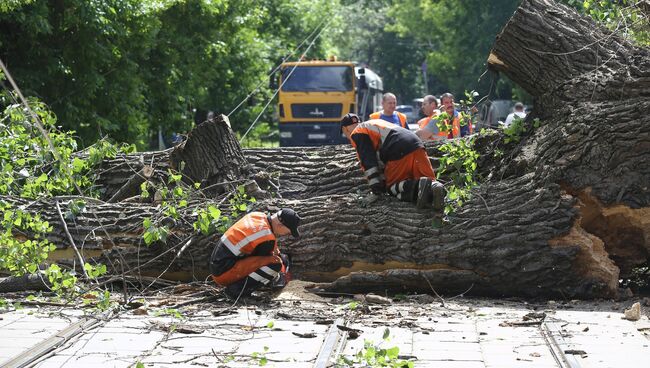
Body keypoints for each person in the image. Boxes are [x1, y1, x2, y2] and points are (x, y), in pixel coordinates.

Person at [340, 113, 445, 210]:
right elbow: (379, 161)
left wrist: (376, 190)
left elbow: (368, 162)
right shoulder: (373, 124)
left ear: (345, 129)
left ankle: (418, 186)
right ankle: (435, 187)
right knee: (427, 181)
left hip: (397, 148)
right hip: (416, 143)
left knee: (392, 188)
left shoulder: (357, 132)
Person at [209, 209, 300, 299]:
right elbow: (264, 261)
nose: (287, 234)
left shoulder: (258, 216)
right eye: (288, 232)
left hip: (218, 265)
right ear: (280, 225)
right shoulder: (266, 237)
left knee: (277, 259)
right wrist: (278, 276)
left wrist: (280, 256)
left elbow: (271, 247)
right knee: (275, 264)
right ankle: (236, 290)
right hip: (223, 273)